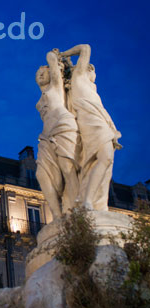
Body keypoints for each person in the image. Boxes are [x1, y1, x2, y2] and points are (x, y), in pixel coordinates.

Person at [61, 44, 121, 211]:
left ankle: (93, 201)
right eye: (93, 70)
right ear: (87, 69)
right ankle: (87, 200)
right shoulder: (79, 77)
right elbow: (85, 48)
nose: (95, 74)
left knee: (102, 163)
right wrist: (64, 55)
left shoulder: (88, 87)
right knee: (105, 158)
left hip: (98, 125)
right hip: (93, 125)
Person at [35, 50, 79, 219]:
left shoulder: (56, 87)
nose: (39, 75)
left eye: (43, 72)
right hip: (46, 135)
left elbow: (53, 63)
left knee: (68, 169)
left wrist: (54, 57)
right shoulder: (42, 95)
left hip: (63, 126)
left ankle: (78, 211)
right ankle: (57, 216)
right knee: (40, 173)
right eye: (37, 74)